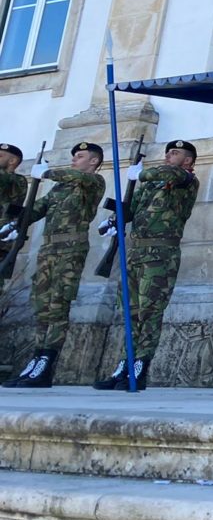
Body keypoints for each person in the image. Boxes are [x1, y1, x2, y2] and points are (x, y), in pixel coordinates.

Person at [93, 139, 202, 391]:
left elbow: (166, 173)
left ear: (187, 161)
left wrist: (141, 172)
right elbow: (132, 208)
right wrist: (114, 220)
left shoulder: (185, 180)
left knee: (149, 312)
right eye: (167, 152)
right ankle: (125, 363)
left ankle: (141, 365)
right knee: (131, 312)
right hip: (136, 251)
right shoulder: (151, 181)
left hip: (161, 253)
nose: (168, 156)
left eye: (175, 153)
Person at [1, 142, 107, 388]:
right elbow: (37, 209)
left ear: (93, 161)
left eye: (80, 156)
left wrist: (45, 173)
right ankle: (36, 359)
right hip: (49, 250)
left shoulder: (93, 182)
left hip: (70, 250)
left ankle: (47, 363)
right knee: (42, 306)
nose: (74, 160)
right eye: (73, 156)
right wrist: (16, 224)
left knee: (58, 305)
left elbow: (73, 175)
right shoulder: (61, 188)